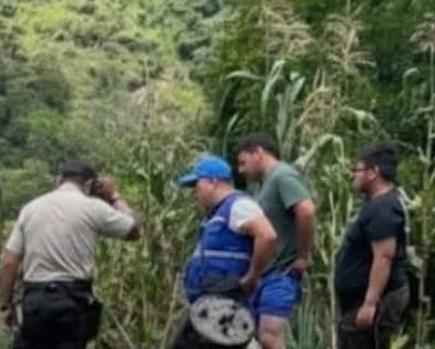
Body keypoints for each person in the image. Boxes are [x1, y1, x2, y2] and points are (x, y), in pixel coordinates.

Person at [0, 161, 141, 348]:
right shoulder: (94, 207)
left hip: (36, 301)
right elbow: (134, 230)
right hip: (73, 301)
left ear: (59, 181)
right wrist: (114, 195)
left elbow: (9, 262)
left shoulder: (30, 209)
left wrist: (6, 306)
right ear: (89, 185)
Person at [172, 155, 277, 349]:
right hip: (210, 307)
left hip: (226, 308)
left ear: (212, 182)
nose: (196, 192)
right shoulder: (218, 214)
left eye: (197, 185)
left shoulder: (238, 205)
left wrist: (252, 277)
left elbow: (267, 235)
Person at [235, 134, 316, 349]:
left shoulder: (282, 175)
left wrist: (303, 255)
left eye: (243, 162)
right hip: (267, 273)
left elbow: (306, 210)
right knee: (259, 337)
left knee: (270, 336)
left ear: (258, 153)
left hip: (282, 272)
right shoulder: (265, 184)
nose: (241, 170)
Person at [334, 143, 411, 349]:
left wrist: (370, 303)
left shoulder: (383, 208)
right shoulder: (376, 204)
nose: (354, 176)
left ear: (373, 172)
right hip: (360, 300)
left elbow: (384, 257)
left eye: (356, 170)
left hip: (376, 300)